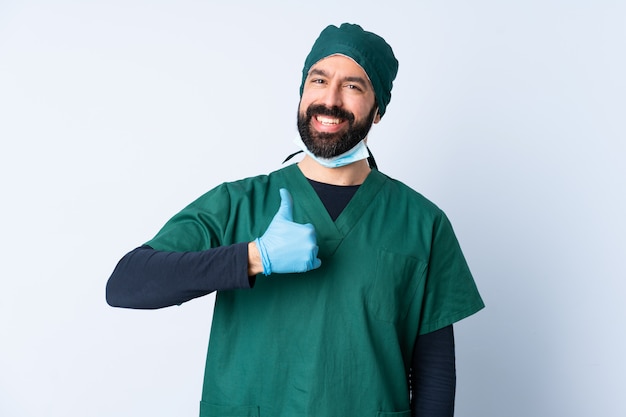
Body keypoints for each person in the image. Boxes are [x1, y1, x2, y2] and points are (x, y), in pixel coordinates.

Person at [106, 22, 484, 417]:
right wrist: (254, 258)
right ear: (303, 93)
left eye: (353, 86)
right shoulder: (237, 203)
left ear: (377, 111)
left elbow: (434, 373)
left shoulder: (422, 223)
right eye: (319, 80)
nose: (331, 99)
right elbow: (126, 284)